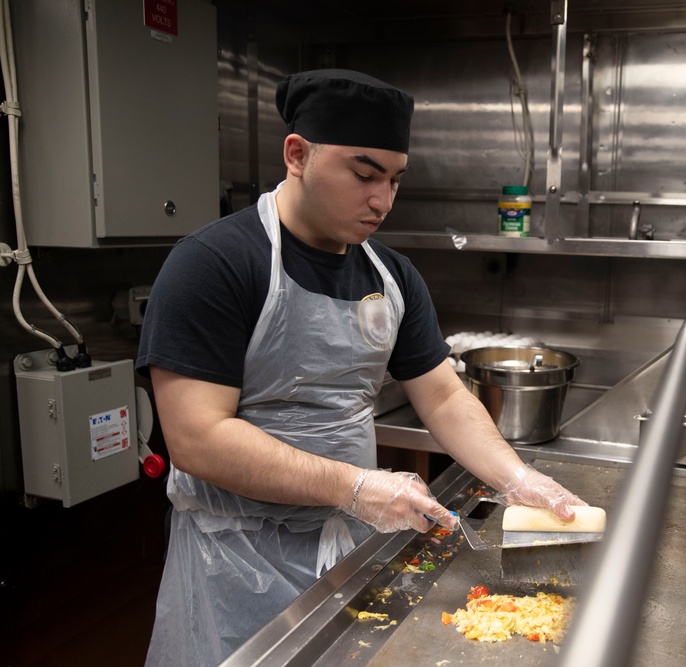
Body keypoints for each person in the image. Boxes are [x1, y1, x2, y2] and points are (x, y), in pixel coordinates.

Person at [136, 69, 585, 666]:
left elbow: (444, 398)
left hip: (348, 545)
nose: (382, 200)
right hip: (233, 561)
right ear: (297, 154)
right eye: (364, 174)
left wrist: (517, 479)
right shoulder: (214, 265)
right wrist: (354, 485)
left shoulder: (391, 277)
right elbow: (197, 438)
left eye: (395, 180)